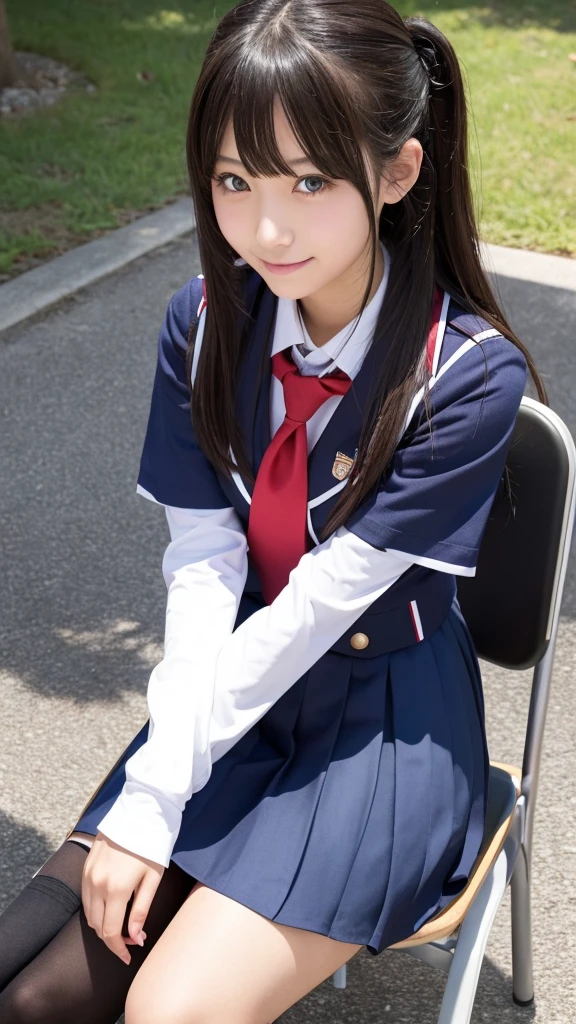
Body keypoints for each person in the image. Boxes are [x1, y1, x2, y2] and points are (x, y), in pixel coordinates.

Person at [0, 1, 547, 1021]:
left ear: (396, 174)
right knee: (29, 991)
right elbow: (206, 565)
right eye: (233, 179)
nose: (263, 226)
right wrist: (159, 787)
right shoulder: (208, 319)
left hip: (385, 733)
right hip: (236, 703)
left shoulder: (462, 377)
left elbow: (316, 612)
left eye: (309, 179)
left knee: (166, 1011)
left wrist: (154, 805)